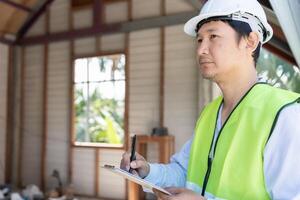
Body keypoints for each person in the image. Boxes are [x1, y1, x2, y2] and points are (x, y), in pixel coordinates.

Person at [121, 0, 300, 199]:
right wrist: (147, 171)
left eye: (213, 36)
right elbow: (186, 174)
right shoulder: (210, 114)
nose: (201, 50)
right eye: (199, 40)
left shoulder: (284, 116)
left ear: (250, 41)